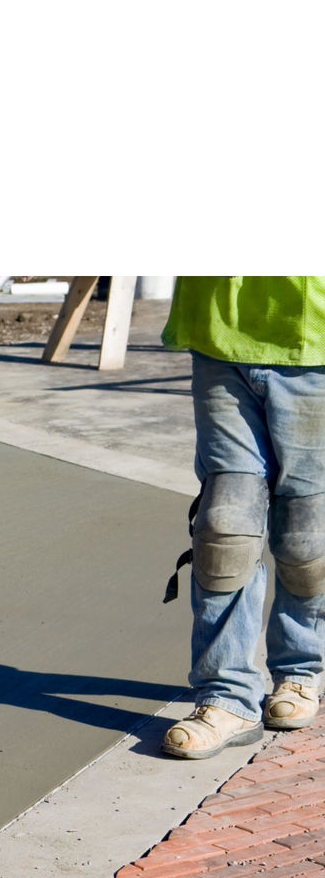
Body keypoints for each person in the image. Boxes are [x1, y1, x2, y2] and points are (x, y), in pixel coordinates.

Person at [160, 277, 325, 758]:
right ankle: (226, 696)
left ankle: (299, 670)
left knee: (305, 531)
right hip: (220, 332)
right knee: (225, 525)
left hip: (313, 337)